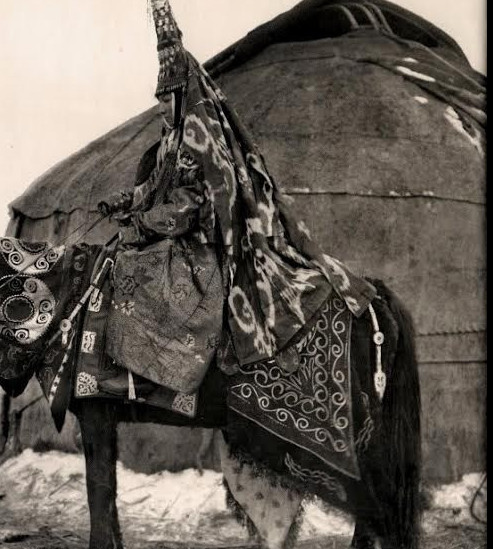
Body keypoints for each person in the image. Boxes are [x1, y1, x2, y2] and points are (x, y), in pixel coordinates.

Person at [104, 0, 376, 395]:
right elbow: (153, 189)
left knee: (147, 275)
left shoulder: (201, 141)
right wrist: (124, 202)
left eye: (167, 98)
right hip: (171, 235)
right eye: (158, 98)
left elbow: (194, 204)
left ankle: (177, 381)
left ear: (183, 96)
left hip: (203, 243)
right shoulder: (169, 143)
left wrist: (144, 222)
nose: (161, 106)